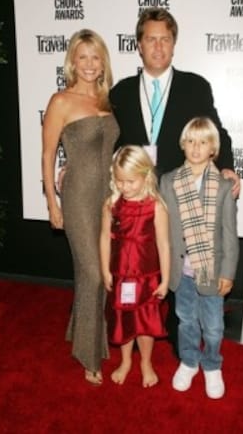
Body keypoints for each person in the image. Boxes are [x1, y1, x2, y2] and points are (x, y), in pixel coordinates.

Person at [41, 29, 119, 386]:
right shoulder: (61, 101)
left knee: (102, 270)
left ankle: (80, 329)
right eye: (82, 56)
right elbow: (47, 154)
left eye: (95, 56)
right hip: (76, 197)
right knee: (92, 273)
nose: (89, 64)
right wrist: (51, 203)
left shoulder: (107, 101)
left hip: (108, 197)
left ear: (103, 62)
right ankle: (90, 356)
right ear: (72, 61)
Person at [109, 7, 241, 197]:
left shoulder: (196, 87)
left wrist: (227, 167)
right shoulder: (121, 92)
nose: (158, 47)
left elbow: (216, 134)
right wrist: (72, 166)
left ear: (173, 45)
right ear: (139, 46)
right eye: (151, 39)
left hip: (181, 196)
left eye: (165, 39)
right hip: (134, 198)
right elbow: (106, 143)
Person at [159, 117, 239, 399]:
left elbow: (230, 235)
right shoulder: (168, 182)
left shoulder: (224, 187)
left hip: (211, 270)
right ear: (183, 144)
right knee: (185, 320)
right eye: (191, 141)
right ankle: (189, 361)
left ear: (212, 149)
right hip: (182, 271)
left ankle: (212, 365)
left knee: (214, 326)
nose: (196, 147)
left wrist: (228, 273)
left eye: (203, 142)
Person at [99, 145, 171, 388]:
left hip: (147, 277)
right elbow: (104, 238)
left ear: (146, 176)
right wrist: (105, 270)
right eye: (119, 181)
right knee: (124, 320)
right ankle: (126, 360)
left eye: (130, 181)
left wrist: (165, 279)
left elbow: (164, 245)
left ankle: (146, 362)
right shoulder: (111, 205)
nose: (124, 187)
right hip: (120, 275)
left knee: (146, 322)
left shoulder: (156, 207)